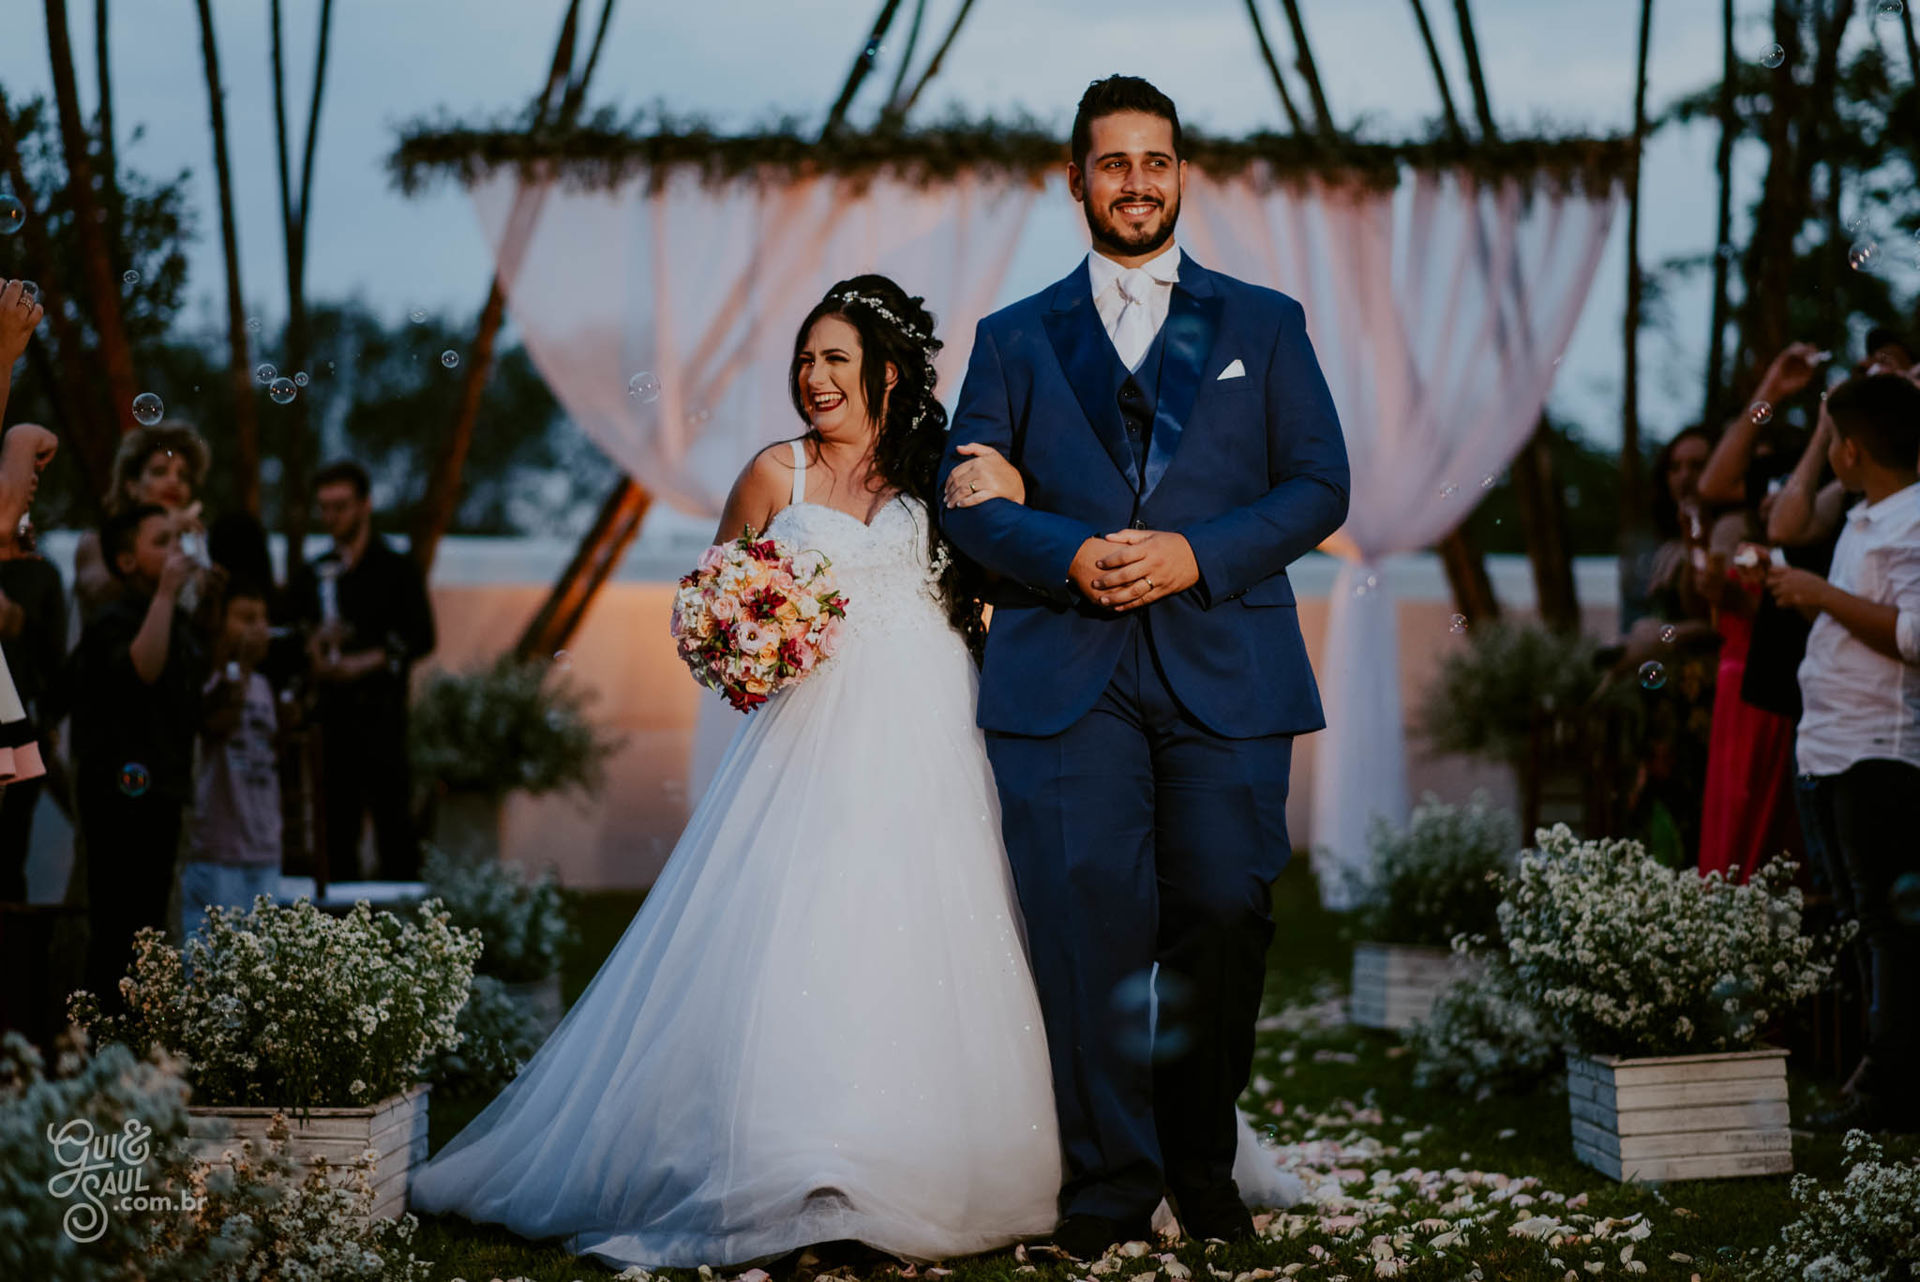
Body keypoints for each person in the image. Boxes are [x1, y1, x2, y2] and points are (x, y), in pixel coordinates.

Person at [408, 275, 1301, 1271]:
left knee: (982, 930)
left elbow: (1010, 556)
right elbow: (709, 601)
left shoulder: (942, 469)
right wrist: (744, 640)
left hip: (940, 726)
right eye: (804, 358)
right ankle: (810, 1162)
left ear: (884, 370)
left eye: (835, 357)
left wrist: (1041, 515)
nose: (814, 376)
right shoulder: (770, 474)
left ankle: (1058, 1156)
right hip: (814, 743)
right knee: (817, 933)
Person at [938, 76, 1347, 1257]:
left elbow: (1320, 484)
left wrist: (1191, 555)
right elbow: (967, 494)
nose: (1136, 182)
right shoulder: (1011, 338)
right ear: (1075, 180)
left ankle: (1203, 1174)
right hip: (1063, 676)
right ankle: (1108, 1192)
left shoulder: (1264, 323)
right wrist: (1069, 553)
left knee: (1227, 908)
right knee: (1085, 928)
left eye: (1154, 161)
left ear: (1181, 173)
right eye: (1112, 163)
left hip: (1226, 665)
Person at [1767, 372, 1920, 1134]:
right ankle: (1878, 1073)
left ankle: (1887, 1084)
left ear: (1851, 451)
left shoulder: (1915, 521)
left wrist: (1816, 595)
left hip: (1878, 752)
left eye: (1830, 440)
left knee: (1886, 926)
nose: (1827, 452)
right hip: (1828, 747)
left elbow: (1915, 636)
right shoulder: (1865, 516)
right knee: (1863, 924)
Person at [71, 503, 207, 1017]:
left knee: (151, 929)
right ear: (126, 562)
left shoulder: (179, 620)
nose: (177, 552)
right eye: (162, 542)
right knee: (116, 929)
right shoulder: (114, 619)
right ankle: (101, 1043)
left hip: (161, 792)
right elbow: (142, 671)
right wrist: (170, 590)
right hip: (118, 797)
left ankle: (141, 1045)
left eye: (179, 540)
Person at [288, 461, 435, 881]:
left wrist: (365, 662)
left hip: (383, 721)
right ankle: (340, 938)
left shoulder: (396, 568)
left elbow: (421, 636)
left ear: (365, 505)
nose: (332, 517)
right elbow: (291, 637)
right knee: (335, 839)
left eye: (341, 506)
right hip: (330, 724)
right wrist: (315, 649)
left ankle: (403, 932)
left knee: (395, 834)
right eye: (325, 507)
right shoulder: (313, 573)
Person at [179, 577, 283, 943]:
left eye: (263, 618)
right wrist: (237, 662)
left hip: (263, 844)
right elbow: (218, 725)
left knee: (262, 960)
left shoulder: (264, 686)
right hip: (218, 848)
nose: (259, 628)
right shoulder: (210, 681)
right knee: (215, 956)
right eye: (246, 618)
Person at [0, 422, 63, 899]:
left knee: (8, 855)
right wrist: (21, 441)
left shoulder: (41, 576)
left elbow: (53, 660)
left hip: (18, 723)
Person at [71, 420, 212, 622]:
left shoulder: (189, 551)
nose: (174, 482)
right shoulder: (95, 542)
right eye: (160, 471)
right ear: (132, 487)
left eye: (183, 476)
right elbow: (103, 595)